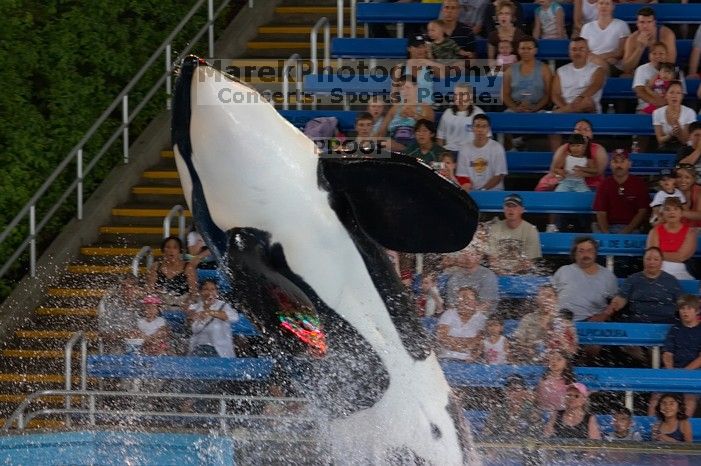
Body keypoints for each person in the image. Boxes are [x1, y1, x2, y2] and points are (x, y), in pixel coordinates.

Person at [605, 247, 683, 324]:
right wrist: (614, 305)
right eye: (648, 259)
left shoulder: (671, 280)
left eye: (656, 259)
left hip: (666, 321)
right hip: (637, 321)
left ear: (661, 262)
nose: (651, 262)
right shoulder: (633, 279)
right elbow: (621, 298)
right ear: (643, 260)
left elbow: (681, 302)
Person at [551, 236, 618, 322]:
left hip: (591, 325)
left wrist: (603, 316)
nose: (586, 254)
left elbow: (615, 303)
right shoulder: (563, 270)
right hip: (561, 323)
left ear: (595, 253)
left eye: (590, 250)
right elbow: (549, 295)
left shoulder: (608, 276)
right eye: (581, 251)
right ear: (575, 254)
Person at [655, 295, 701, 417]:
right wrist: (671, 371)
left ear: (697, 311)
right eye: (682, 308)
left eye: (689, 308)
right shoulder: (675, 329)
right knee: (656, 395)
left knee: (689, 399)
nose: (685, 312)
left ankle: (683, 429)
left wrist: (684, 373)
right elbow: (667, 353)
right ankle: (652, 430)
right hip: (673, 369)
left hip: (694, 372)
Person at [593, 149, 650, 234]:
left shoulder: (639, 184)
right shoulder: (604, 184)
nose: (619, 165)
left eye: (622, 161)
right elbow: (601, 212)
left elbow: (642, 211)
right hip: (608, 227)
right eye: (615, 162)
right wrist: (607, 234)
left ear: (629, 164)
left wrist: (626, 232)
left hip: (632, 229)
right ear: (610, 165)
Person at [484, 193, 542, 275]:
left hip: (522, 274)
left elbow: (529, 262)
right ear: (503, 209)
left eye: (514, 206)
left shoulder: (531, 230)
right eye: (508, 206)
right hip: (498, 273)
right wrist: (502, 273)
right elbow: (492, 259)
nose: (511, 210)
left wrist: (511, 274)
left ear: (522, 210)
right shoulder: (494, 228)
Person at [375, 74, 434, 152]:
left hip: (414, 144)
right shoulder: (395, 108)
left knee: (385, 144)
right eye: (402, 89)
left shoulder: (425, 107)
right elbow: (382, 131)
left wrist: (413, 115)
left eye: (408, 88)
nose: (405, 91)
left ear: (416, 88)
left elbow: (430, 127)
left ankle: (408, 151)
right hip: (393, 142)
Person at [647, 197, 697, 280]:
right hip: (658, 268)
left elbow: (681, 257)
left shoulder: (690, 232)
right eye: (667, 209)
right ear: (663, 213)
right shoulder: (654, 231)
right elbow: (652, 256)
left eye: (676, 209)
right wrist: (658, 257)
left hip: (681, 270)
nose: (672, 212)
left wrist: (659, 255)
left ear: (681, 213)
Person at [551, 37, 606, 115]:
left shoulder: (598, 70)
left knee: (587, 101)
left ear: (588, 52)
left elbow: (596, 85)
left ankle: (554, 113)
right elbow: (555, 95)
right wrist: (568, 108)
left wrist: (579, 98)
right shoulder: (560, 71)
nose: (577, 52)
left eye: (581, 49)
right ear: (569, 52)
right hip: (565, 108)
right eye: (574, 49)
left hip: (588, 111)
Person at [186, 279, 239, 358]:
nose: (209, 292)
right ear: (200, 292)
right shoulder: (194, 307)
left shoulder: (223, 306)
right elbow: (191, 325)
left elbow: (235, 318)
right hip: (197, 348)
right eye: (205, 289)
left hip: (219, 350)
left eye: (213, 289)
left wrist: (210, 312)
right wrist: (193, 317)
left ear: (217, 292)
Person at [455, 114, 508, 191]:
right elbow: (462, 176)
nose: (480, 130)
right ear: (472, 128)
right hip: (472, 192)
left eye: (484, 126)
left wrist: (482, 190)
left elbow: (499, 176)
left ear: (488, 129)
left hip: (494, 191)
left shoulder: (497, 148)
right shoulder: (464, 149)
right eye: (477, 126)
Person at [440, 245, 499, 313]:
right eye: (464, 254)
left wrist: (468, 316)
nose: (467, 257)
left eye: (471, 254)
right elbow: (451, 304)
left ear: (478, 257)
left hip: (482, 316)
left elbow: (486, 304)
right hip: (459, 315)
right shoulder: (454, 277)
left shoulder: (487, 275)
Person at [435, 286, 488, 362]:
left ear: (476, 302)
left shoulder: (481, 318)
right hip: (446, 358)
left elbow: (478, 342)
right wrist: (466, 344)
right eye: (461, 298)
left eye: (468, 298)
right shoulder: (449, 313)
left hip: (469, 360)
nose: (464, 301)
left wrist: (453, 340)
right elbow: (442, 338)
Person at [502, 37, 553, 113]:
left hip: (539, 109)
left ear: (535, 50)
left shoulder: (545, 69)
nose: (526, 51)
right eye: (522, 48)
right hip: (515, 109)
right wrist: (516, 108)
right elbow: (505, 95)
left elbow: (548, 94)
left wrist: (535, 108)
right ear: (518, 50)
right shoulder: (510, 70)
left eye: (529, 48)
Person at [622, 7, 677, 76]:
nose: (645, 26)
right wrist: (640, 48)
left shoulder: (666, 34)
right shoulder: (632, 39)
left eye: (649, 22)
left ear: (654, 23)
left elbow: (671, 62)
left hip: (663, 71)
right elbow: (626, 68)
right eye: (642, 22)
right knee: (625, 76)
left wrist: (652, 74)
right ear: (637, 23)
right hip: (641, 72)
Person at [146, 235, 197, 309]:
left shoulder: (188, 267)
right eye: (168, 247)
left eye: (175, 247)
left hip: (182, 305)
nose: (171, 250)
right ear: (163, 250)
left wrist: (186, 304)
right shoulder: (156, 266)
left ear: (180, 250)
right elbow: (149, 290)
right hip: (161, 305)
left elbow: (194, 293)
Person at [579, 0, 630, 75]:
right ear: (597, 5)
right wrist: (605, 58)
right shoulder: (587, 27)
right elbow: (584, 51)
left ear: (613, 6)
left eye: (607, 3)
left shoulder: (621, 25)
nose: (604, 6)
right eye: (601, 3)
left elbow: (620, 52)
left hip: (613, 66)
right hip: (592, 63)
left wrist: (599, 58)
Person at [512, 284, 559, 363]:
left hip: (554, 362)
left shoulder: (562, 320)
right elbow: (518, 342)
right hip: (529, 360)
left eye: (549, 296)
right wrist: (528, 348)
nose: (546, 299)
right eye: (543, 296)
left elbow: (569, 349)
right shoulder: (528, 318)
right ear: (537, 299)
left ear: (556, 299)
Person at [97, 275, 143, 353]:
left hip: (142, 346)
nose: (128, 290)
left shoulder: (144, 306)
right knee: (116, 350)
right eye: (124, 287)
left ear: (137, 289)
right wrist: (123, 335)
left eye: (131, 287)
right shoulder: (110, 306)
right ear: (120, 289)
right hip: (118, 346)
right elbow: (102, 333)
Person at [436, 83, 487, 154]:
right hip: (450, 153)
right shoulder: (447, 113)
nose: (458, 97)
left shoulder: (478, 113)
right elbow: (440, 138)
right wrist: (442, 155)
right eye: (456, 94)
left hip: (471, 153)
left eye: (462, 95)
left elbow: (486, 137)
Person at [653, 81, 696, 153]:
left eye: (678, 93)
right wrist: (670, 135)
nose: (674, 96)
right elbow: (659, 140)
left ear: (682, 96)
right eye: (671, 92)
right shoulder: (657, 113)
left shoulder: (690, 112)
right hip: (665, 147)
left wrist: (677, 124)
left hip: (684, 148)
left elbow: (685, 141)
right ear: (666, 95)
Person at [633, 42, 671, 115]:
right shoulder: (641, 69)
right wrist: (656, 102)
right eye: (654, 53)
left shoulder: (675, 69)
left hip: (668, 108)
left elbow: (679, 92)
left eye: (661, 53)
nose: (657, 56)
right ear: (649, 55)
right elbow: (639, 91)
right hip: (644, 109)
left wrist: (664, 103)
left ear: (666, 55)